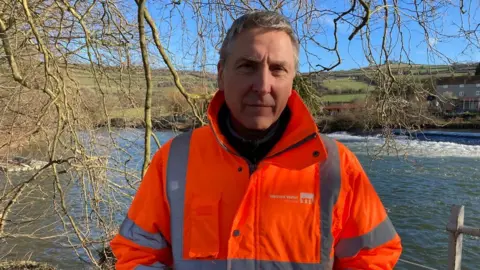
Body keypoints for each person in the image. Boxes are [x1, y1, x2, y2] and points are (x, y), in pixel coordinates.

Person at [110, 10, 402, 270]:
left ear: (291, 80)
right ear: (221, 75)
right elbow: (137, 255)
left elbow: (374, 256)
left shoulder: (335, 166)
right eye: (248, 66)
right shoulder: (174, 160)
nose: (263, 86)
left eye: (278, 69)